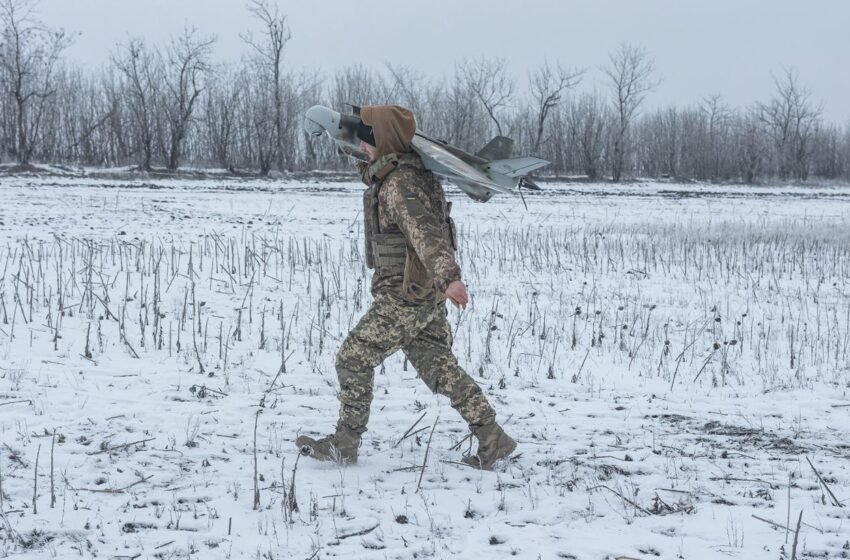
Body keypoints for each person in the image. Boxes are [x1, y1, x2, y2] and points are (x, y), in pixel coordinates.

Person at [296, 105, 515, 470]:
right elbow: (369, 159)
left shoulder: (401, 184)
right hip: (419, 292)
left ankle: (345, 443)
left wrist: (450, 279)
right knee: (440, 367)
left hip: (405, 295)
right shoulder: (403, 171)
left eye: (367, 142)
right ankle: (493, 436)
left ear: (384, 142)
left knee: (353, 358)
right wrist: (339, 131)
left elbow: (427, 235)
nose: (361, 148)